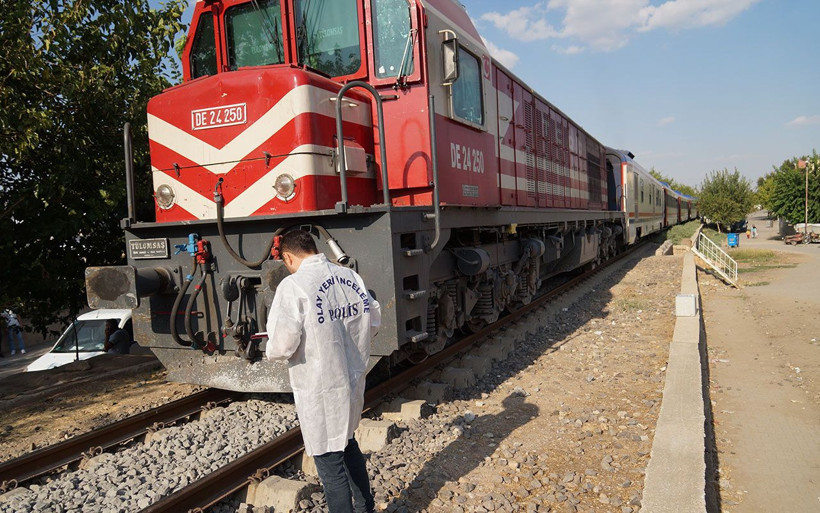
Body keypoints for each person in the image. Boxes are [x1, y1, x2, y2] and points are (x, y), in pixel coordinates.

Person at [266, 229, 380, 513]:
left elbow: (282, 346)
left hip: (322, 386)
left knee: (329, 463)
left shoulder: (294, 286)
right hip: (352, 379)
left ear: (289, 257)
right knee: (348, 442)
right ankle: (366, 508)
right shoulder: (350, 277)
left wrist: (268, 348)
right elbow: (373, 321)